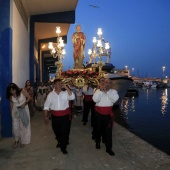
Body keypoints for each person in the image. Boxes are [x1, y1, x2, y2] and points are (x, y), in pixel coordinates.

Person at [43, 79, 75, 154]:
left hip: (65, 116)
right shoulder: (50, 94)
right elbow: (46, 105)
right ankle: (60, 141)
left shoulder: (65, 93)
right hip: (55, 116)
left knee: (64, 131)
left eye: (61, 83)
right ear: (54, 85)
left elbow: (72, 97)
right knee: (56, 131)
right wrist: (45, 116)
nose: (60, 84)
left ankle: (63, 147)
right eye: (58, 83)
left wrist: (67, 88)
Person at [92, 78, 119, 156]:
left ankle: (109, 148)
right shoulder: (97, 91)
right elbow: (95, 100)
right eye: (105, 82)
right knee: (98, 129)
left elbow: (114, 100)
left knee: (108, 132)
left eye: (108, 82)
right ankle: (97, 142)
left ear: (110, 84)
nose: (106, 84)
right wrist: (101, 90)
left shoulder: (113, 92)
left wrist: (107, 92)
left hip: (108, 115)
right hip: (98, 114)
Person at [6, 83, 31, 148]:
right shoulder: (11, 96)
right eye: (11, 91)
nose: (12, 92)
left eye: (13, 90)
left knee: (22, 126)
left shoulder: (22, 91)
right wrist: (11, 113)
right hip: (15, 111)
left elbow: (29, 98)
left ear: (16, 88)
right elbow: (11, 104)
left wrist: (25, 103)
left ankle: (22, 140)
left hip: (23, 110)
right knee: (15, 126)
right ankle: (16, 140)